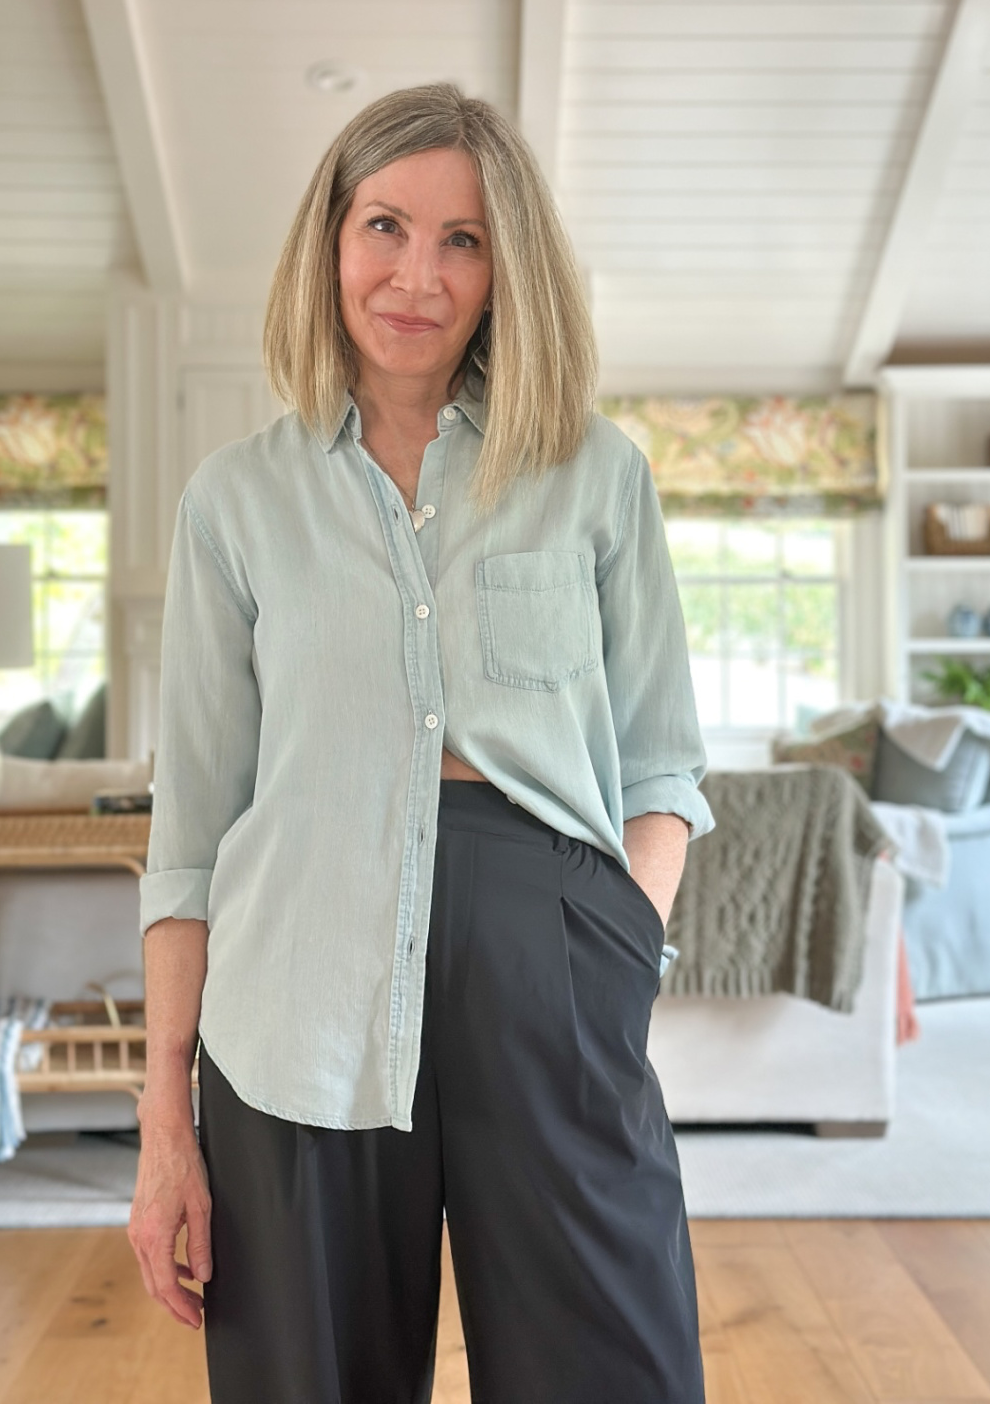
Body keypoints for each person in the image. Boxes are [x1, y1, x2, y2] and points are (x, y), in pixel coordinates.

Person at [129, 82, 715, 1404]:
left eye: (463, 239)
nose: (416, 274)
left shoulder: (595, 475)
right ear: (330, 242)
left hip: (551, 974)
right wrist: (167, 1122)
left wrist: (615, 964)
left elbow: (664, 767)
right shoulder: (237, 503)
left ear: (510, 269)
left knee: (613, 1372)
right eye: (386, 225)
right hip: (291, 997)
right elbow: (192, 839)